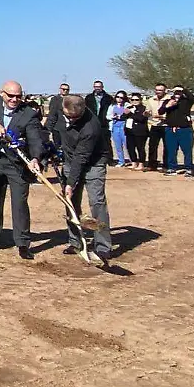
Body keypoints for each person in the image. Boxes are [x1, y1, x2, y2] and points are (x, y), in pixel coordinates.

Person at [0, 81, 45, 260]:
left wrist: (36, 158)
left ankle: (22, 243)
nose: (15, 99)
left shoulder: (29, 113)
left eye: (18, 96)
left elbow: (35, 139)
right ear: (3, 94)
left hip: (18, 163)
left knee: (20, 203)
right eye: (11, 96)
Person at [58, 95, 112, 266]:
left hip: (94, 163)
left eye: (75, 118)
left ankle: (103, 246)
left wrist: (70, 183)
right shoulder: (61, 111)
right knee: (71, 202)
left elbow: (81, 157)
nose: (71, 120)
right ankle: (75, 242)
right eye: (69, 116)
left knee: (97, 202)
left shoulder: (91, 127)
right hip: (69, 159)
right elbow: (51, 128)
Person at [159, 86, 194, 177]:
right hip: (170, 129)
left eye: (179, 92)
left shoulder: (186, 101)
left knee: (187, 150)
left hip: (185, 129)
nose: (177, 93)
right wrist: (168, 106)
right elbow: (160, 111)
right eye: (175, 92)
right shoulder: (168, 101)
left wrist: (184, 89)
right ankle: (172, 168)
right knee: (171, 150)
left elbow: (192, 97)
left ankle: (188, 169)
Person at [144, 84, 168, 172]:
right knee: (152, 146)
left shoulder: (169, 99)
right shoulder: (151, 100)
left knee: (167, 146)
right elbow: (147, 111)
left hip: (166, 125)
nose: (158, 92)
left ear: (165, 90)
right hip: (154, 125)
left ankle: (166, 166)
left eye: (160, 90)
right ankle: (152, 165)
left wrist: (162, 117)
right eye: (157, 90)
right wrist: (146, 113)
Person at [124, 93, 149, 171]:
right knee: (130, 148)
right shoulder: (129, 107)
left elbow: (141, 118)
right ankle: (134, 162)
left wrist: (131, 113)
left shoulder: (143, 108)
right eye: (133, 100)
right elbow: (123, 116)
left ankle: (141, 164)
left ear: (140, 100)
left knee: (140, 148)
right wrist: (125, 113)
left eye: (136, 100)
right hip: (129, 130)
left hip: (140, 131)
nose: (134, 101)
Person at [44, 83, 71, 147]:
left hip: (69, 128)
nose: (65, 91)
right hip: (57, 128)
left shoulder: (70, 99)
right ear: (60, 89)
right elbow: (52, 114)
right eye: (63, 89)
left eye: (67, 89)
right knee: (58, 147)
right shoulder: (55, 99)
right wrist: (48, 128)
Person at [107, 91, 129, 167]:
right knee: (118, 145)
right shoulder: (112, 106)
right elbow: (108, 116)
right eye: (118, 97)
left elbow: (130, 114)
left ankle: (132, 160)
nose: (119, 99)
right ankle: (121, 161)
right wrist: (113, 117)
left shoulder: (127, 105)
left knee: (127, 144)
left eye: (121, 97)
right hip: (115, 126)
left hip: (124, 126)